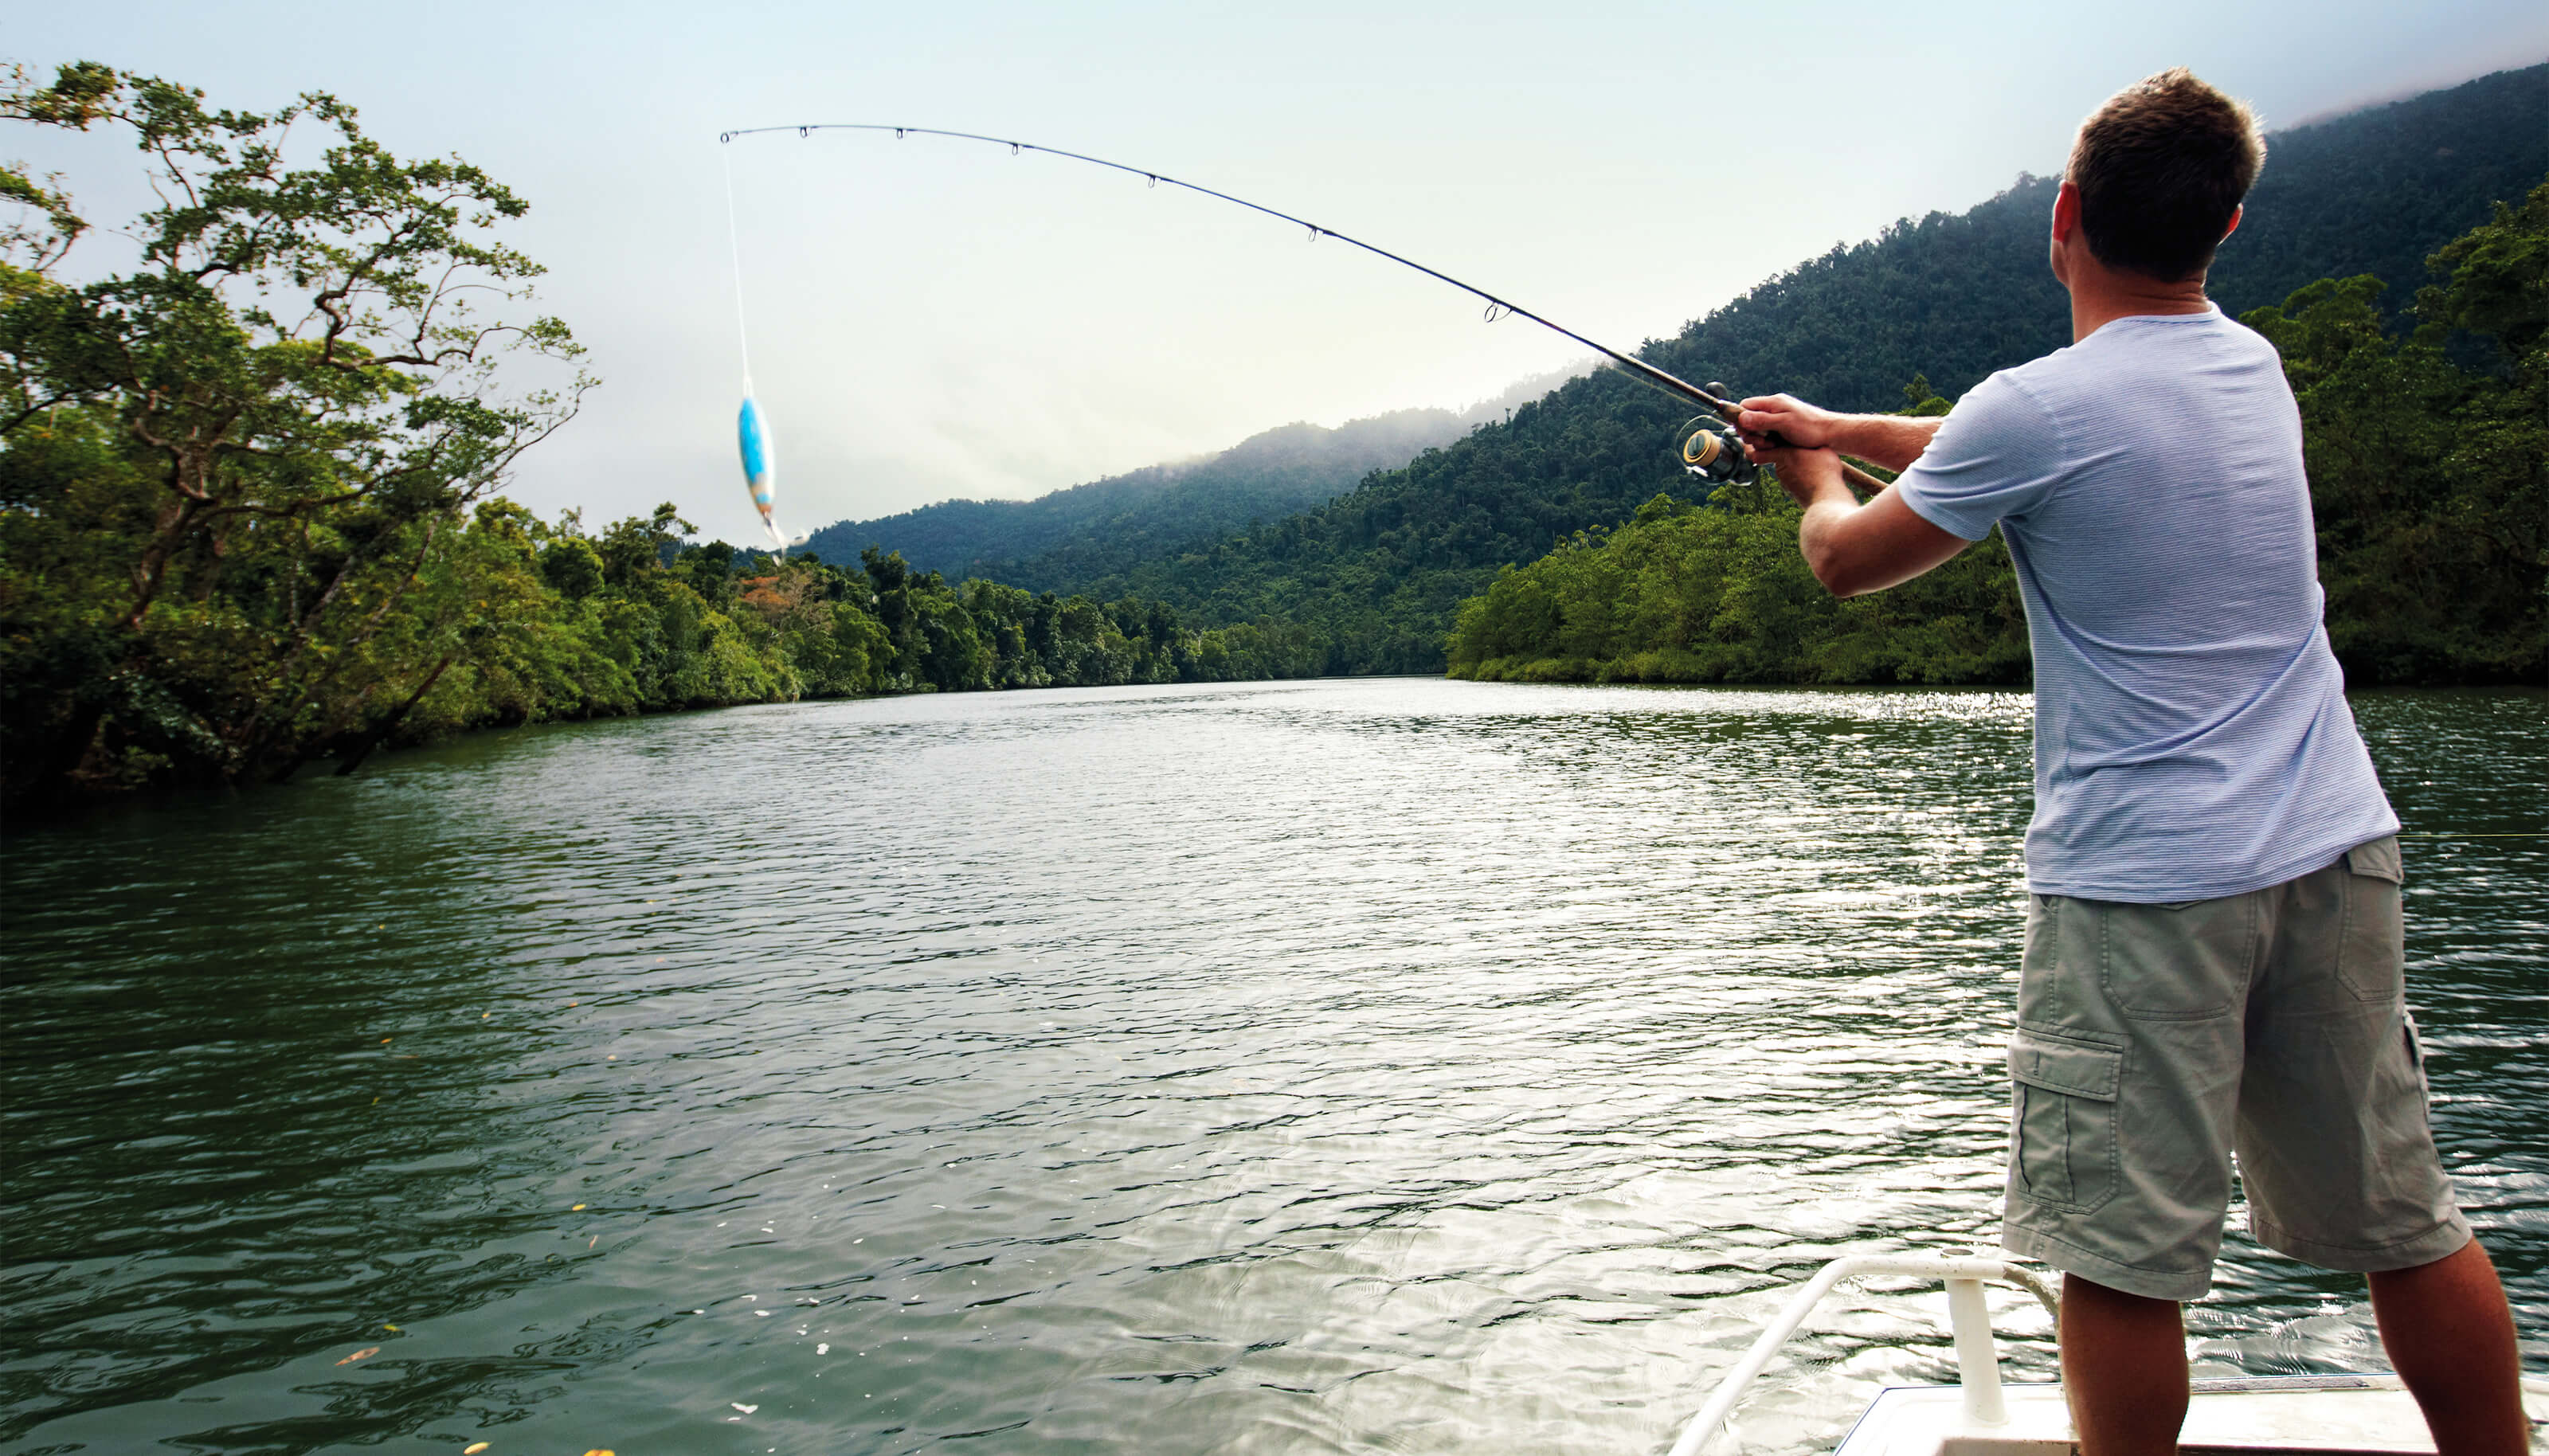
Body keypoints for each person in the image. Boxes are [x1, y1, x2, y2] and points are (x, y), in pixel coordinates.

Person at [1732, 68, 2530, 1456]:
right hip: (2335, 854)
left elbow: (1851, 561)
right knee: (2405, 1223)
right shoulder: (2249, 366)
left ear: (2064, 216)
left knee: (2116, 1256)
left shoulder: (2036, 408)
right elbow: (2014, 451)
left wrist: (1813, 483)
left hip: (2146, 890)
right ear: (2225, 228)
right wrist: (1845, 429)